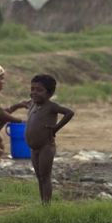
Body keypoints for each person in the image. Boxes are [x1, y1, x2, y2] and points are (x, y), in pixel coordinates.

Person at [24, 74, 75, 203]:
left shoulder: (51, 106)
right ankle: (43, 203)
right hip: (34, 148)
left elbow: (69, 112)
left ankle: (47, 206)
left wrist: (56, 128)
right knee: (39, 177)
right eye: (32, 89)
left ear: (49, 93)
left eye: (39, 90)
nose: (34, 92)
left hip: (46, 147)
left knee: (45, 177)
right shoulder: (33, 104)